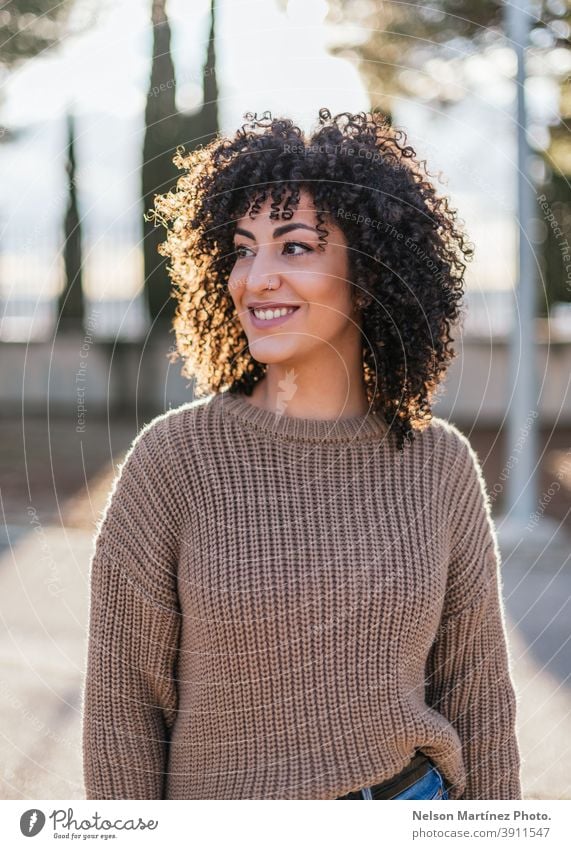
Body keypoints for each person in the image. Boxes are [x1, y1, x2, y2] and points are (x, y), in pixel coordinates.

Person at [81, 108, 522, 800]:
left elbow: (478, 695)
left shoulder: (439, 463)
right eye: (240, 247)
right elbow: (122, 709)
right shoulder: (173, 459)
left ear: (370, 271)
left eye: (293, 247)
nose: (255, 278)